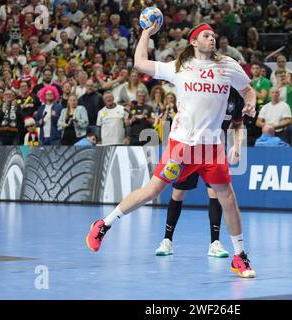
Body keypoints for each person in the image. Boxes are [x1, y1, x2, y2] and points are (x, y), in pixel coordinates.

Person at [86, 22, 257, 278]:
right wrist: (145, 32)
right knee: (152, 190)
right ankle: (103, 224)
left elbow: (247, 89)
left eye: (213, 35)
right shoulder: (179, 67)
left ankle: (239, 256)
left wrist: (251, 102)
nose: (212, 38)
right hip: (182, 146)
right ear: (194, 42)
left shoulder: (228, 65)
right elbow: (141, 63)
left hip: (212, 147)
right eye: (206, 36)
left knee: (229, 198)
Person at [155, 87, 245, 258]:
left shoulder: (236, 99)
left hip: (212, 153)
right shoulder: (210, 91)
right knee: (178, 193)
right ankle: (167, 240)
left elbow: (237, 124)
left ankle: (215, 243)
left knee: (215, 194)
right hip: (190, 150)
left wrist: (237, 145)